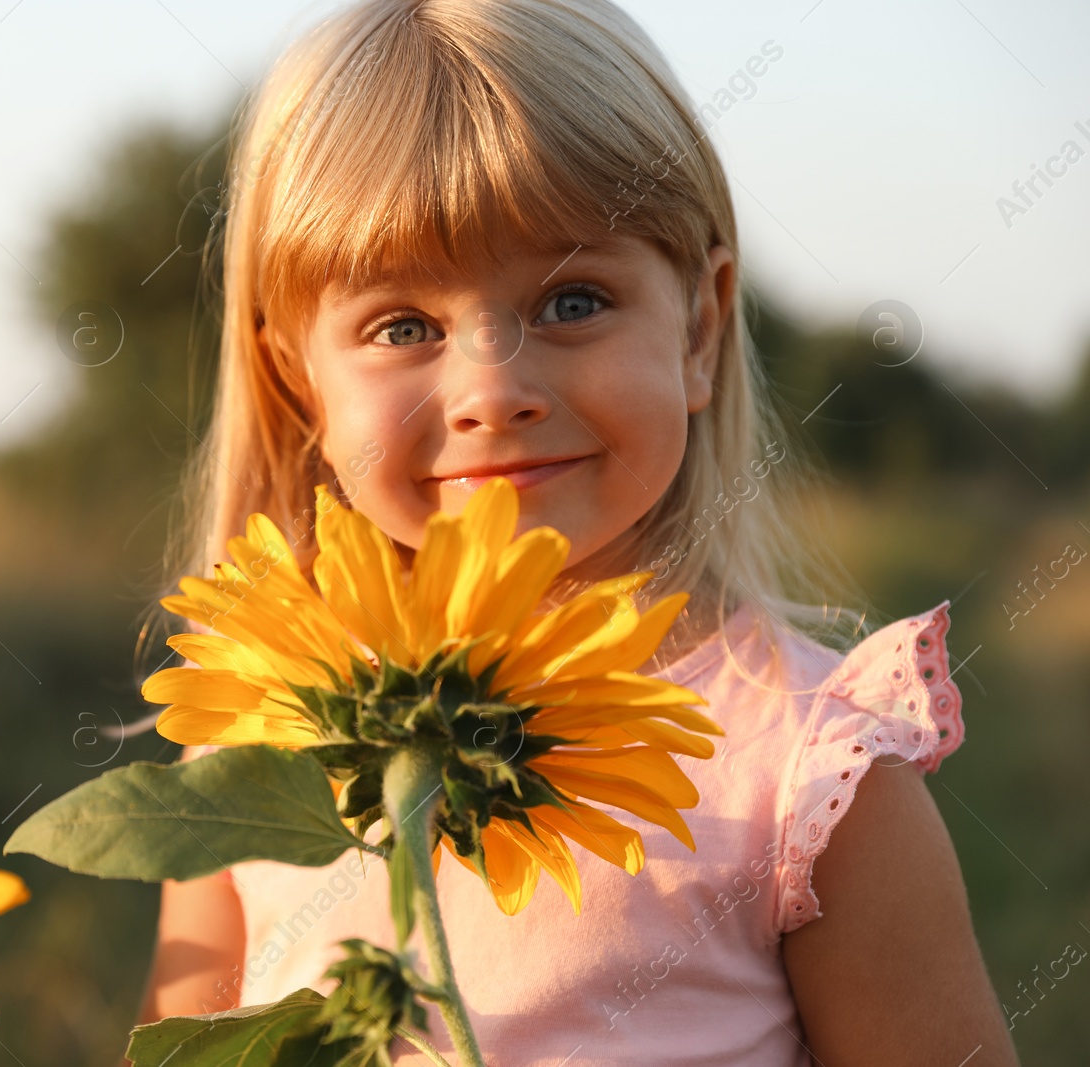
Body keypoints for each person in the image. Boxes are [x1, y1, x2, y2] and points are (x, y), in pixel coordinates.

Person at [134, 0, 1019, 1062]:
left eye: (571, 302)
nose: (492, 390)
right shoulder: (252, 726)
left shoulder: (811, 772)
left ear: (697, 330)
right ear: (297, 379)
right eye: (402, 326)